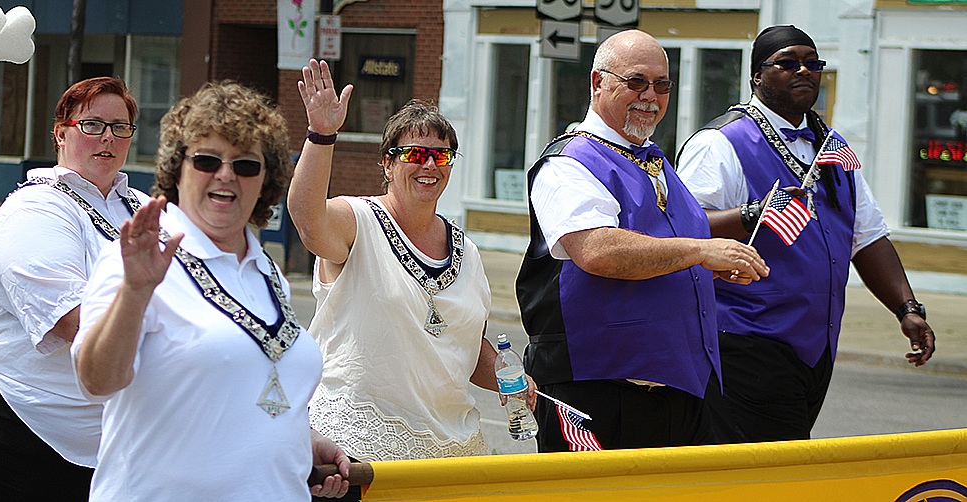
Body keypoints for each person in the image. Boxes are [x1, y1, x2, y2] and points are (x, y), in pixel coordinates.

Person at [70, 82, 349, 499]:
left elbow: (240, 387)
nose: (225, 174)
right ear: (177, 170)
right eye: (206, 160)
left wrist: (301, 438)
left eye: (246, 165)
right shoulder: (137, 260)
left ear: (265, 180)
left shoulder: (266, 271)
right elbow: (97, 380)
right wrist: (135, 291)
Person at [676, 24, 936, 443]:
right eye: (789, 62)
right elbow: (684, 229)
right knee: (762, 468)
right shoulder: (721, 142)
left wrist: (907, 307)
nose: (804, 71)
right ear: (757, 75)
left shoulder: (831, 147)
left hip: (814, 345)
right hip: (743, 339)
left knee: (780, 462)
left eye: (813, 64)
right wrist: (752, 213)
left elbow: (867, 236)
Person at [515, 29, 769, 453]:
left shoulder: (655, 159)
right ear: (598, 82)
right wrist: (700, 251)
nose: (650, 96)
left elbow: (664, 251)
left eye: (662, 85)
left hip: (681, 393)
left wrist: (704, 267)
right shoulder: (568, 162)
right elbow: (596, 250)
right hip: (598, 391)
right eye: (636, 82)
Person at [288, 59, 533, 461]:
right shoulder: (358, 221)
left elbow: (468, 349)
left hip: (452, 450)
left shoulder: (466, 251)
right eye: (415, 153)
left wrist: (513, 380)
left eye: (442, 156)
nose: (429, 165)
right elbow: (307, 219)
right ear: (387, 163)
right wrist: (321, 136)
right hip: (358, 445)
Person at [0, 77, 146, 498]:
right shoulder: (35, 208)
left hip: (116, 447)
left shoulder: (141, 206)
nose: (107, 136)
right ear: (60, 133)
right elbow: (77, 321)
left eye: (120, 126)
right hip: (24, 435)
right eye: (92, 125)